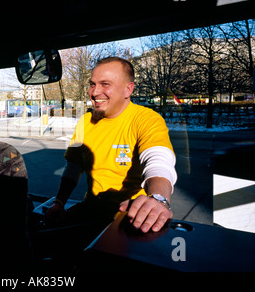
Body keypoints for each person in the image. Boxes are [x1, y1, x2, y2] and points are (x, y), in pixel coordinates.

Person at [44, 57, 177, 241]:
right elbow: (74, 167)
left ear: (128, 89)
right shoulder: (85, 122)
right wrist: (59, 202)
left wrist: (158, 199)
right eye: (92, 84)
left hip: (130, 216)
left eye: (105, 84)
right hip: (90, 211)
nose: (94, 92)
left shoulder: (146, 119)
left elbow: (158, 161)